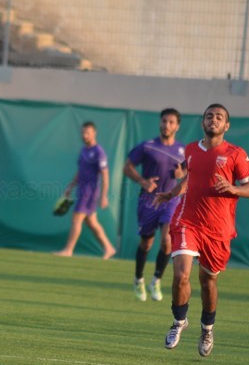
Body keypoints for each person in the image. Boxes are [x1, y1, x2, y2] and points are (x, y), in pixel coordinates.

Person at [154, 103, 249, 357]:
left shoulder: (236, 154)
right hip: (188, 221)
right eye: (209, 116)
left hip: (218, 229)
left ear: (226, 125)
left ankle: (207, 328)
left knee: (208, 282)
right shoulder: (190, 150)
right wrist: (170, 194)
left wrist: (233, 190)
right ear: (202, 123)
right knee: (181, 276)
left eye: (219, 117)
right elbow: (190, 179)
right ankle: (179, 322)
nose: (213, 120)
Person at [123, 108, 185, 302]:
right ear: (160, 123)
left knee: (167, 241)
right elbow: (127, 167)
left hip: (170, 200)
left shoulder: (183, 151)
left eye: (171, 122)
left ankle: (156, 280)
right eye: (164, 121)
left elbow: (188, 175)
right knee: (146, 243)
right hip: (148, 201)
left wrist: (181, 175)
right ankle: (138, 279)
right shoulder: (147, 146)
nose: (167, 125)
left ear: (177, 126)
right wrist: (143, 181)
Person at [54, 122, 116, 260]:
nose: (84, 135)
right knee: (92, 223)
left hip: (90, 193)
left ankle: (68, 250)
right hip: (81, 191)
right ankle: (109, 248)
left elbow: (105, 174)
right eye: (82, 132)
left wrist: (104, 196)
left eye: (87, 132)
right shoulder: (83, 150)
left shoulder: (99, 152)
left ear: (94, 133)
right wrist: (70, 187)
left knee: (76, 219)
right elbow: (80, 171)